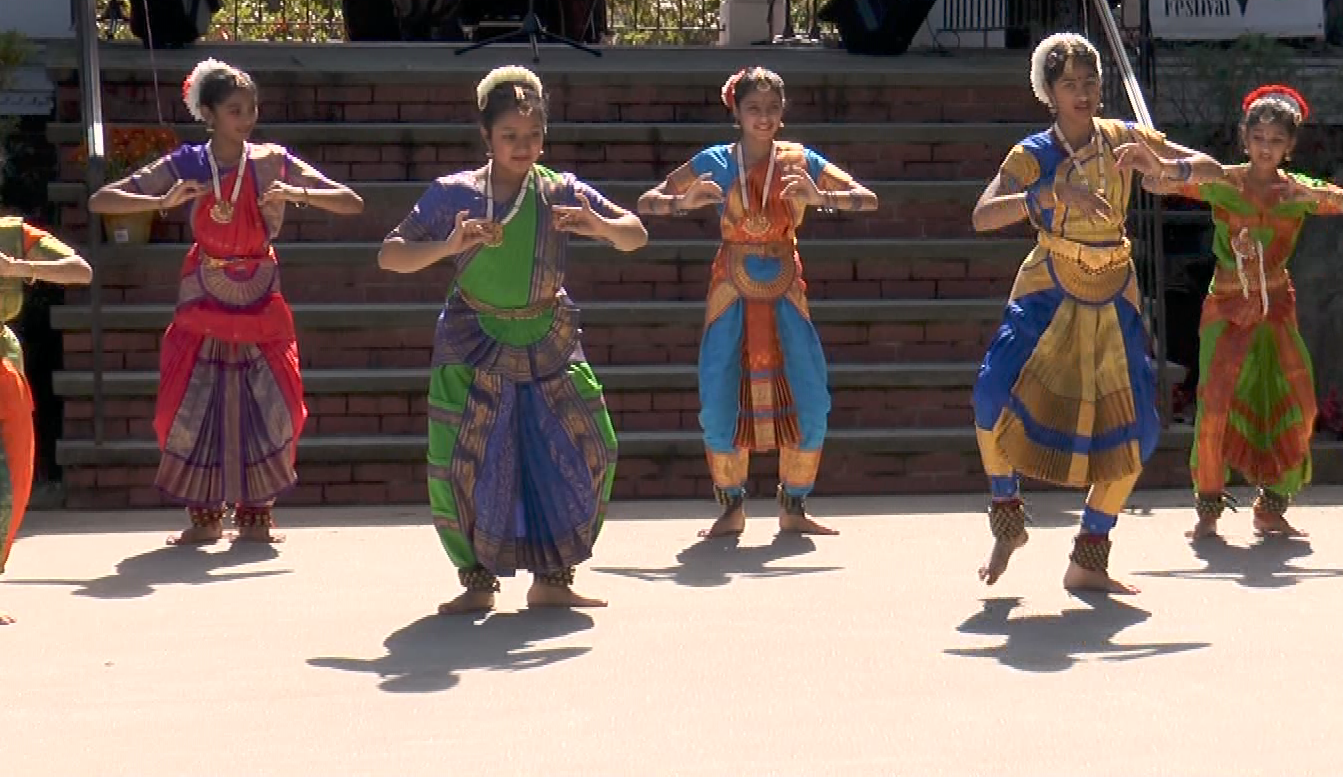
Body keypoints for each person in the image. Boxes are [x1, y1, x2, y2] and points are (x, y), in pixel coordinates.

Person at [381, 66, 649, 615]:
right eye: (510, 136)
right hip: (472, 341)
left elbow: (635, 233)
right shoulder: (453, 195)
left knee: (590, 446)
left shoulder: (559, 190)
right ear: (486, 136)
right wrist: (448, 245)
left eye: (532, 136)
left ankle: (553, 576)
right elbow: (391, 253)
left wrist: (598, 227)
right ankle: (477, 580)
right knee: (467, 460)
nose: (523, 146)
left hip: (547, 337)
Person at [971, 33, 1224, 594]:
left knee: (1139, 430)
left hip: (1114, 291)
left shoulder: (1123, 138)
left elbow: (1214, 170)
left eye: (1090, 83)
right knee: (991, 396)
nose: (1082, 93)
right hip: (1049, 285)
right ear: (1049, 93)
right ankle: (1007, 515)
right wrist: (1050, 198)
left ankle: (1090, 554)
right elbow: (984, 214)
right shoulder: (1033, 154)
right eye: (1070, 85)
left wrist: (1167, 171)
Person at [89, 60, 363, 545]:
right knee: (196, 394)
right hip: (206, 286)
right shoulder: (189, 162)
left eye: (252, 107)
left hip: (260, 286)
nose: (248, 117)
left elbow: (350, 202)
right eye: (235, 109)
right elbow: (103, 200)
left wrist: (298, 192)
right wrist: (160, 203)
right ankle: (205, 515)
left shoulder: (271, 160)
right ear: (209, 114)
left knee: (272, 396)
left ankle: (257, 513)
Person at [637, 67, 877, 540]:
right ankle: (731, 507)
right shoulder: (716, 161)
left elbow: (866, 199)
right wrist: (682, 204)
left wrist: (820, 196)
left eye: (771, 109)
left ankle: (794, 505)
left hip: (786, 284)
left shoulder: (798, 160)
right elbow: (648, 201)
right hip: (731, 284)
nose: (763, 118)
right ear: (736, 112)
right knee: (720, 391)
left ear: (783, 113)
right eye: (753, 109)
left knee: (810, 391)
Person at [1175, 85, 1343, 541]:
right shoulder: (1223, 181)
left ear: (1290, 146)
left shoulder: (1295, 191)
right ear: (1244, 138)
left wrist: (1324, 194)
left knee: (1298, 407)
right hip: (1226, 307)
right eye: (1258, 138)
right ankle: (1207, 508)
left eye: (1276, 140)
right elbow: (1159, 182)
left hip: (1276, 309)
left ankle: (1272, 506)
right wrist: (1161, 162)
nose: (1266, 148)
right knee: (1215, 406)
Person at [0, 213, 92, 624]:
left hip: (2, 366)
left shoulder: (10, 233)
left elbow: (80, 271)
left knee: (10, 481)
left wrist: (17, 267)